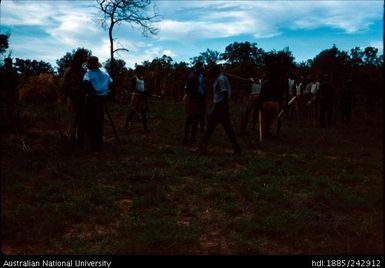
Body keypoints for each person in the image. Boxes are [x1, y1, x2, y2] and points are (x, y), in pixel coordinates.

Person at [196, 64, 241, 155]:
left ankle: (202, 147)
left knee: (210, 128)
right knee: (227, 129)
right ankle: (237, 148)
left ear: (215, 72)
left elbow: (224, 93)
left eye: (211, 74)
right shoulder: (221, 78)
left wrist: (221, 107)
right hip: (222, 106)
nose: (210, 76)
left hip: (220, 106)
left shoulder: (220, 79)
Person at [83, 56, 112, 153]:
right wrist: (107, 93)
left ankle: (93, 146)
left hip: (92, 100)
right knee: (99, 123)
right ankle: (98, 146)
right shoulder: (105, 73)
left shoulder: (88, 74)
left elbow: (86, 85)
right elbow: (111, 83)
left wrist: (92, 94)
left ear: (89, 65)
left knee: (90, 123)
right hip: (102, 99)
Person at [61, 50, 88, 148]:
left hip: (82, 99)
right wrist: (72, 97)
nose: (85, 59)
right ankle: (71, 142)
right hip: (72, 99)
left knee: (81, 121)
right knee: (72, 121)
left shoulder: (83, 71)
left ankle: (79, 143)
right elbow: (64, 86)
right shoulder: (69, 70)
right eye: (83, 57)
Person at [259, 60, 286, 138]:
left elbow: (261, 94)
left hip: (266, 102)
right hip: (275, 103)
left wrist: (260, 104)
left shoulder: (265, 84)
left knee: (264, 119)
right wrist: (280, 104)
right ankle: (270, 134)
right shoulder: (277, 84)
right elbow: (280, 95)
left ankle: (264, 134)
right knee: (272, 120)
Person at [183, 62, 205, 145]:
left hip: (196, 99)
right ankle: (188, 139)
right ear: (197, 68)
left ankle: (190, 138)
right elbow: (190, 92)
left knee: (193, 119)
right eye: (201, 68)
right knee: (191, 119)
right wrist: (193, 103)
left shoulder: (198, 76)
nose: (202, 69)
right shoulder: (193, 77)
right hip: (191, 99)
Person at [125, 65, 149, 131]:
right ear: (139, 71)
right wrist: (141, 92)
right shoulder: (134, 78)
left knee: (143, 111)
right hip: (136, 96)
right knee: (133, 111)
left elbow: (142, 87)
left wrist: (145, 91)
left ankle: (145, 127)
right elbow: (132, 89)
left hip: (142, 97)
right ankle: (126, 124)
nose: (143, 72)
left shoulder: (142, 78)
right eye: (142, 71)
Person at [0, 58, 19, 129]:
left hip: (11, 91)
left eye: (7, 63)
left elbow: (15, 82)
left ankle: (12, 123)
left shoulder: (12, 71)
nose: (6, 64)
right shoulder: (5, 71)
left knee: (11, 107)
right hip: (7, 92)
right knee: (8, 107)